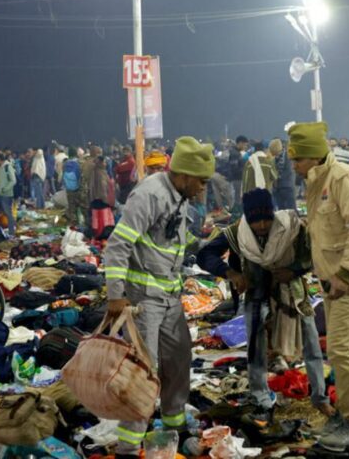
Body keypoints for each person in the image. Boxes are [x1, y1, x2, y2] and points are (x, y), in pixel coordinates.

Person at [103, 136, 213, 458]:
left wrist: (208, 245)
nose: (204, 188)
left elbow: (172, 241)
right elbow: (118, 246)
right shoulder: (149, 194)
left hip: (169, 295)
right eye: (202, 181)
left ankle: (173, 423)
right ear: (184, 175)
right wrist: (115, 297)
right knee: (142, 373)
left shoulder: (180, 197)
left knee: (179, 359)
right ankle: (128, 446)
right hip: (143, 301)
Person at [287, 122, 349, 451]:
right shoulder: (319, 182)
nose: (294, 166)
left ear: (313, 157)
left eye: (297, 160)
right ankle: (346, 416)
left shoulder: (343, 179)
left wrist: (345, 273)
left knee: (341, 350)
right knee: (337, 348)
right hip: (334, 279)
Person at [196, 188, 333, 425]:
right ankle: (261, 399)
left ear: (273, 213)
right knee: (256, 350)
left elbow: (314, 254)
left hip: (293, 295)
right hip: (256, 296)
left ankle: (319, 397)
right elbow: (205, 255)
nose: (261, 225)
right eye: (255, 220)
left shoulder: (291, 227)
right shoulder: (237, 232)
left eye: (266, 219)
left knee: (311, 343)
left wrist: (293, 271)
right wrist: (231, 273)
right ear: (247, 218)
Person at [270, 138, 296, 210]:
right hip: (277, 188)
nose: (274, 155)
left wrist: (276, 177)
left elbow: (289, 171)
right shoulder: (275, 158)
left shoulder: (288, 156)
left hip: (287, 187)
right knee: (281, 211)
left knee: (291, 210)